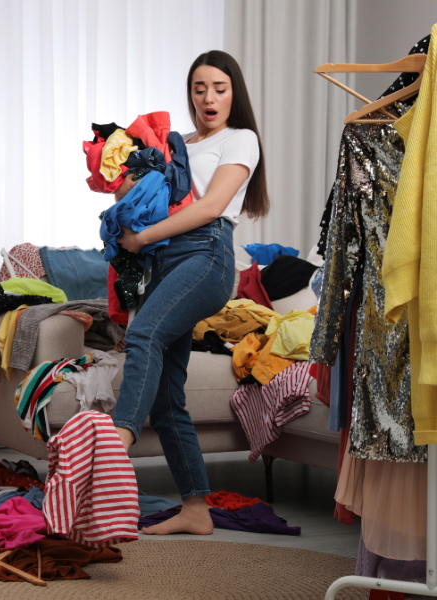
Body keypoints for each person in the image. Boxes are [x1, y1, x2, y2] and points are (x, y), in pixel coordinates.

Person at [112, 50, 270, 535]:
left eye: (219, 88)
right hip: (165, 260)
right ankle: (196, 509)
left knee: (144, 337)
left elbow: (212, 207)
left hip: (206, 256)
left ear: (233, 92)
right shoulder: (175, 144)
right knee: (165, 396)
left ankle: (110, 455)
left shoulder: (241, 139)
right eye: (200, 88)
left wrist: (141, 238)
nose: (209, 97)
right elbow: (139, 199)